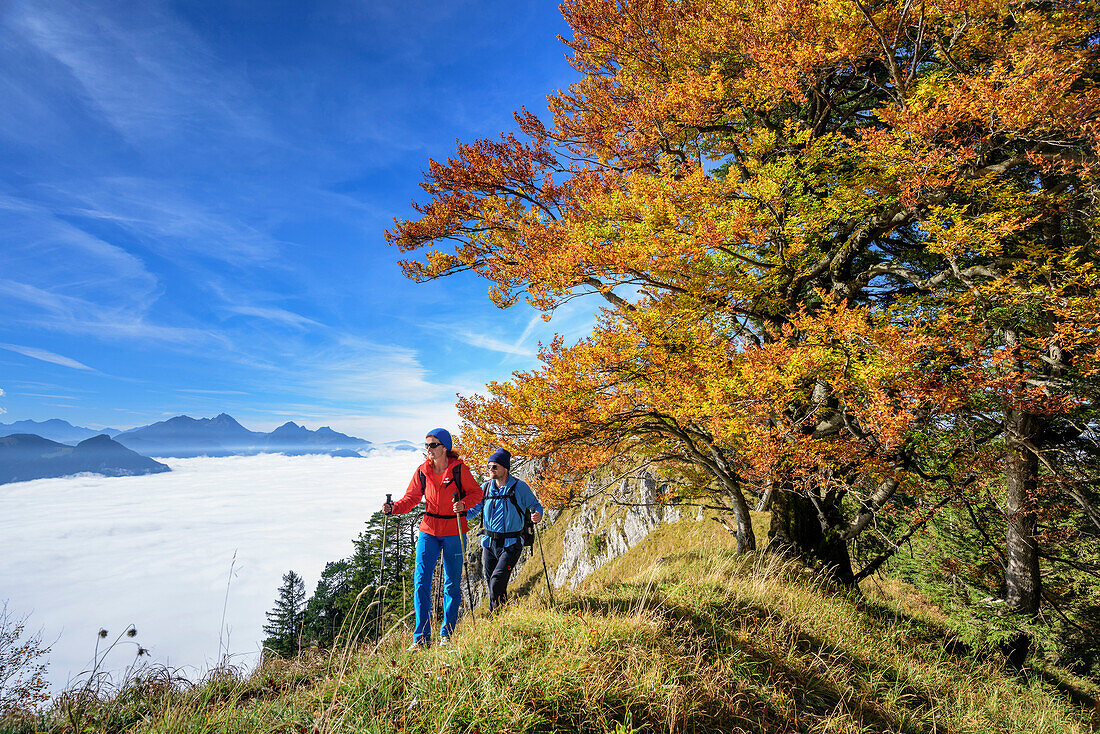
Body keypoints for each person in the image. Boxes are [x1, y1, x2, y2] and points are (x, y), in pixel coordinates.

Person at [383, 428, 483, 649]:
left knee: (452, 584)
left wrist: (463, 505)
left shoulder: (460, 470)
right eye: (427, 445)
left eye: (434, 445)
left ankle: (446, 635)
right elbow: (411, 498)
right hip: (428, 530)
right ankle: (421, 639)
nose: (429, 449)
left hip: (454, 530)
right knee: (420, 583)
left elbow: (476, 492)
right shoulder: (422, 471)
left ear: (445, 447)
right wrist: (393, 508)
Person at [467, 448, 543, 612]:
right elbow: (473, 510)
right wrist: (459, 512)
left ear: (505, 468)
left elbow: (535, 505)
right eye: (489, 467)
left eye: (494, 466)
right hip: (489, 544)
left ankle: (493, 615)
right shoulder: (485, 488)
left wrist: (537, 515)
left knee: (496, 580)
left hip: (511, 543)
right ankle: (501, 616)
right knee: (493, 583)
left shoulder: (519, 487)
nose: (490, 470)